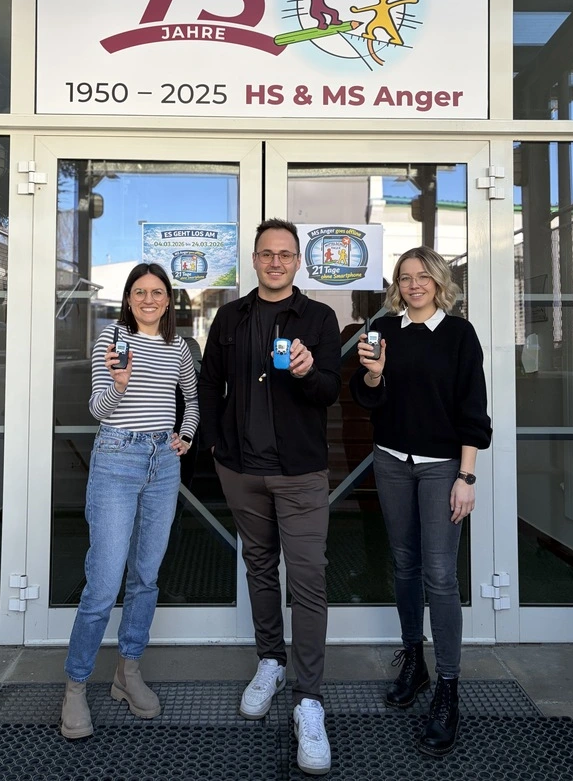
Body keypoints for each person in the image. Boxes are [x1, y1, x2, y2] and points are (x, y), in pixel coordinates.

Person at [199, 218, 341, 776]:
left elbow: (329, 390)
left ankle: (309, 700)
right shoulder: (230, 317)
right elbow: (209, 383)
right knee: (259, 567)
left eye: (285, 254)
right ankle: (270, 662)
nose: (275, 262)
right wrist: (215, 444)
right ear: (255, 260)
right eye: (266, 253)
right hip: (241, 469)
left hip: (300, 472)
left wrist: (307, 372)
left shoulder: (319, 318)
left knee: (307, 581)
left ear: (298, 261)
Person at [350, 247, 491, 757]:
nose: (413, 285)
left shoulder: (459, 334)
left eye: (422, 276)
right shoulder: (384, 330)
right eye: (405, 277)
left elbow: (473, 409)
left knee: (441, 576)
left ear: (438, 281)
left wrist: (466, 476)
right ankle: (415, 659)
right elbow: (367, 398)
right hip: (391, 460)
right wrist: (373, 373)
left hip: (441, 468)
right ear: (397, 285)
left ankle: (448, 687)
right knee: (404, 564)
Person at [60, 262, 199, 739]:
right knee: (103, 583)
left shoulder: (177, 347)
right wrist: (119, 384)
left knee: (146, 577)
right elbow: (98, 409)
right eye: (139, 291)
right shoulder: (112, 339)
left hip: (163, 462)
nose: (148, 299)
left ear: (168, 300)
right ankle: (76, 685)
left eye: (157, 292)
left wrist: (185, 435)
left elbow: (192, 400)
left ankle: (127, 672)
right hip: (117, 457)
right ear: (127, 298)